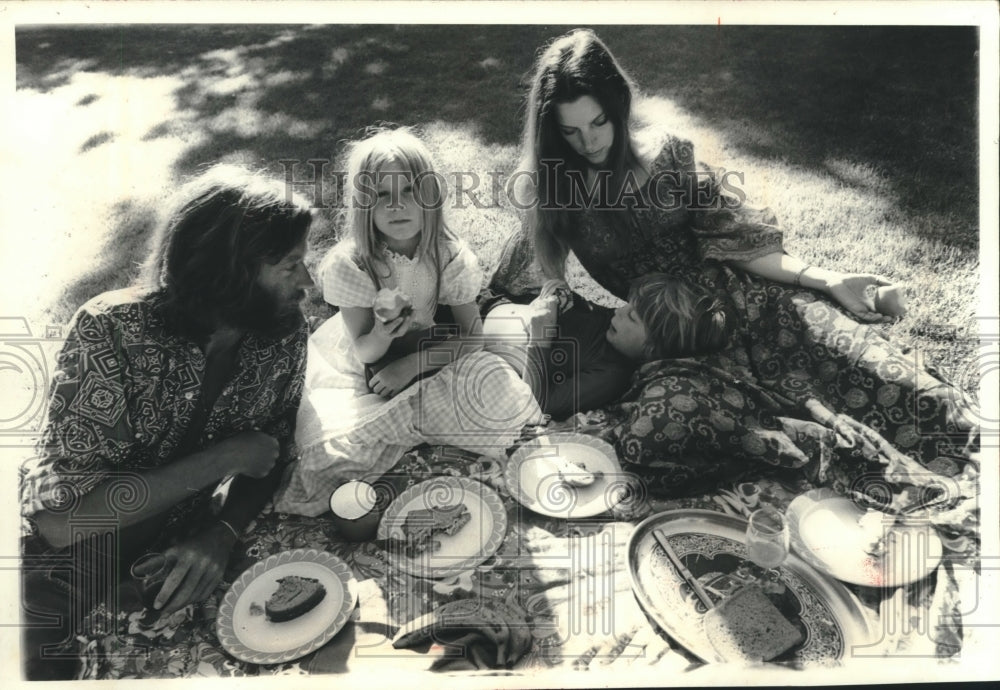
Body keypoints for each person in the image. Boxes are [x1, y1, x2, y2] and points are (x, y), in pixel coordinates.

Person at [489, 29, 978, 493]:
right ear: (552, 133)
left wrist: (827, 280)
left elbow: (738, 238)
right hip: (671, 343)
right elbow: (523, 274)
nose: (590, 143)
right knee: (660, 429)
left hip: (748, 305)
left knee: (900, 387)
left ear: (619, 107)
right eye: (571, 132)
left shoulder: (670, 158)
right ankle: (811, 450)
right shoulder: (552, 193)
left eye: (599, 122)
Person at [18, 166, 315, 680]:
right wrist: (223, 459)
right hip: (55, 579)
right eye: (291, 266)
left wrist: (221, 531)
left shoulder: (281, 333)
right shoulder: (111, 333)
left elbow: (271, 449)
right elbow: (61, 524)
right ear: (230, 274)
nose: (308, 284)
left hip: (171, 559)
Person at [276, 128, 541, 517]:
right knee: (321, 459)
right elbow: (364, 350)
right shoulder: (352, 264)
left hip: (429, 356)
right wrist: (383, 333)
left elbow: (473, 339)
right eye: (382, 195)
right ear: (363, 203)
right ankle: (408, 426)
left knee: (503, 396)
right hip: (360, 370)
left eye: (410, 192)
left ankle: (410, 426)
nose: (397, 206)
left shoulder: (448, 256)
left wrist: (412, 365)